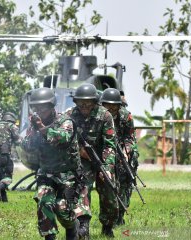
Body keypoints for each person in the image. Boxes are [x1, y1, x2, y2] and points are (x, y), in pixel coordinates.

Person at [21, 87, 83, 240]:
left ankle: (72, 226)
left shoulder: (65, 121)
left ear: (51, 106)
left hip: (68, 173)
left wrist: (42, 129)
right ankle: (49, 237)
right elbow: (27, 146)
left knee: (62, 208)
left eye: (42, 107)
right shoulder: (35, 124)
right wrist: (34, 132)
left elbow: (63, 139)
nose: (39, 111)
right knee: (44, 201)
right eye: (35, 107)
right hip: (47, 172)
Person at [68, 83, 119, 238]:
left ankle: (108, 225)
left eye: (88, 102)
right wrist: (79, 151)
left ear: (95, 101)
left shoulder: (105, 116)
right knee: (82, 187)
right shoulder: (70, 115)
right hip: (82, 160)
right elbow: (66, 141)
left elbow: (110, 144)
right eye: (80, 102)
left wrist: (107, 168)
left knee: (109, 193)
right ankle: (83, 226)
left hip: (102, 158)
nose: (84, 106)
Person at [100, 88, 139, 226]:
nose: (111, 108)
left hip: (124, 154)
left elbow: (130, 138)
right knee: (109, 187)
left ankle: (120, 214)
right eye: (107, 105)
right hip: (105, 153)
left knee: (125, 185)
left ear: (119, 105)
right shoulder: (99, 115)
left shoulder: (126, 116)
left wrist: (126, 151)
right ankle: (109, 217)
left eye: (114, 105)